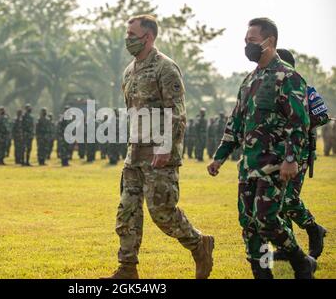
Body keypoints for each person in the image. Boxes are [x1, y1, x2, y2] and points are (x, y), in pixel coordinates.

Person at [102, 15, 214, 280]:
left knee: (162, 213)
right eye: (127, 34)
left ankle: (199, 244)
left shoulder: (166, 68)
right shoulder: (129, 71)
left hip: (159, 155)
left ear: (148, 37)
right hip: (135, 153)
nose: (127, 39)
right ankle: (127, 268)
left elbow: (176, 113)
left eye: (132, 34)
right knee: (127, 210)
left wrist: (165, 147)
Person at [207, 18, 316, 279]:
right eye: (246, 41)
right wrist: (219, 157)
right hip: (248, 165)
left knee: (266, 220)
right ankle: (262, 273)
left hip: (275, 163)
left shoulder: (288, 77)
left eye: (252, 41)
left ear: (270, 42)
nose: (247, 46)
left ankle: (301, 262)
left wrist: (291, 158)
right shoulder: (249, 80)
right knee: (249, 224)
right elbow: (235, 122)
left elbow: (299, 121)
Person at [272, 48, 327, 261]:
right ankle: (287, 247)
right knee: (277, 202)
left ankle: (313, 228)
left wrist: (299, 123)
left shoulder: (304, 88)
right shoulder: (271, 90)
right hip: (275, 152)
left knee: (288, 200)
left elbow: (321, 115)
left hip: (298, 151)